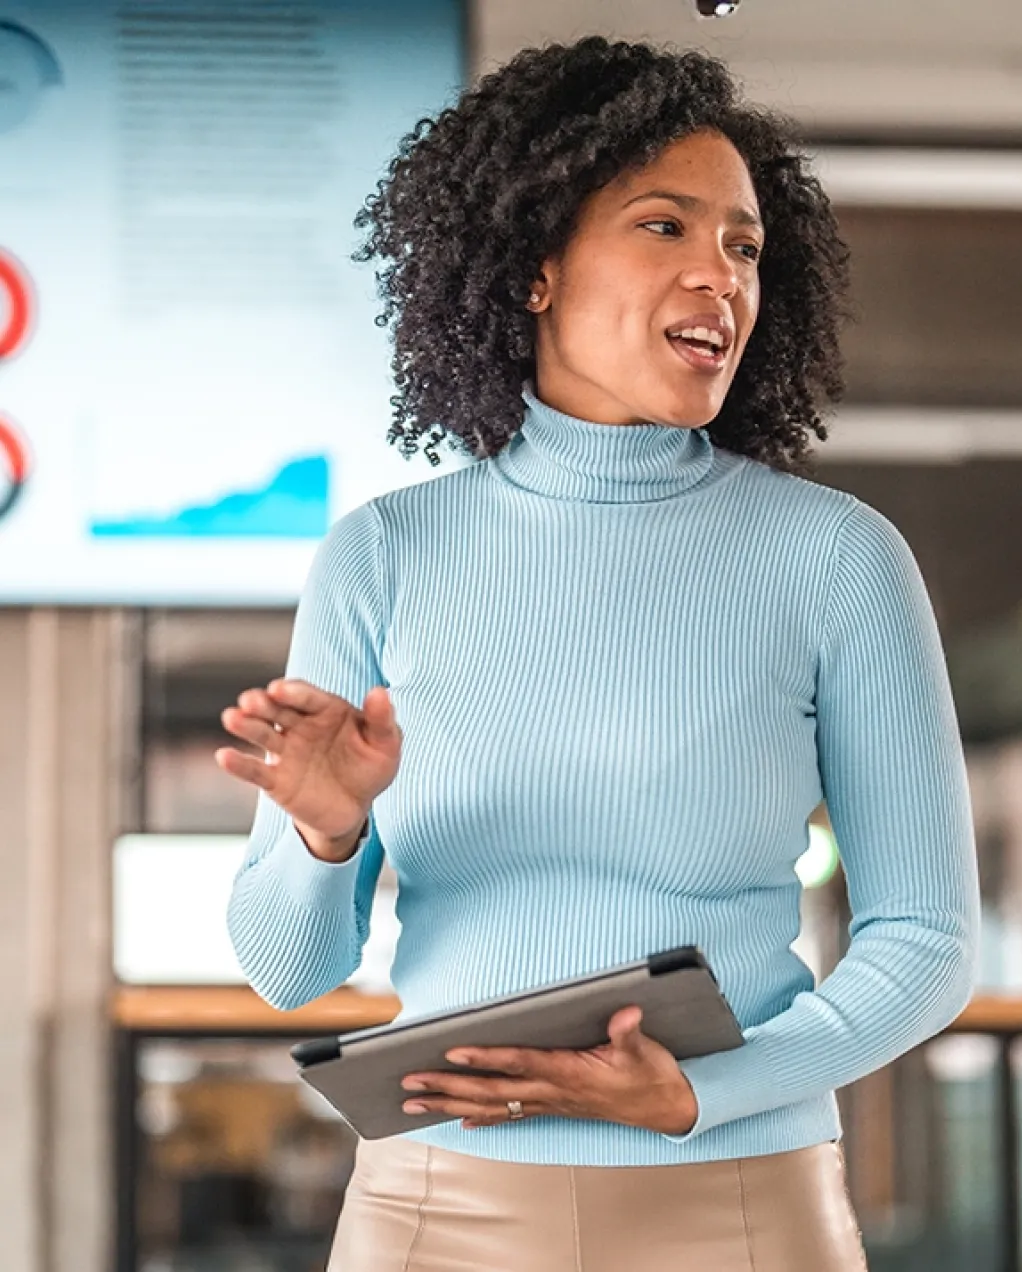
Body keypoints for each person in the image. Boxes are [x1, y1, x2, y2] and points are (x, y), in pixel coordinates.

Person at [218, 35, 979, 1272]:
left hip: (743, 1195)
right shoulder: (384, 555)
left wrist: (704, 1094)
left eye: (743, 245)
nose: (721, 277)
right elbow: (287, 973)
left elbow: (928, 939)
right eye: (666, 227)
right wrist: (324, 831)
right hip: (436, 1209)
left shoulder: (836, 558)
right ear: (535, 269)